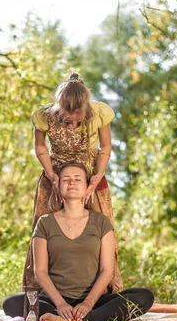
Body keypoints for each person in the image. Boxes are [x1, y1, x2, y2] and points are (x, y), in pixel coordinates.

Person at [5, 162, 154, 321]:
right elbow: (40, 271)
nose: (72, 182)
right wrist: (61, 303)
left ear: (87, 187)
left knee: (144, 296)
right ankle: (72, 317)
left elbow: (107, 270)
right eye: (66, 179)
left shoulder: (101, 222)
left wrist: (88, 303)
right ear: (58, 186)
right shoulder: (45, 222)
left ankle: (79, 320)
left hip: (94, 302)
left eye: (78, 179)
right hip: (54, 301)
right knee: (11, 303)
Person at [23, 72, 123, 295]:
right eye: (68, 121)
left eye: (78, 120)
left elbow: (104, 147)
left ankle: (101, 293)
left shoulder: (99, 113)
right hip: (56, 178)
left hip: (90, 177)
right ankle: (41, 294)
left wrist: (96, 176)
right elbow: (40, 147)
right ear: (59, 110)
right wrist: (51, 174)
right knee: (46, 229)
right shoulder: (44, 116)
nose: (73, 125)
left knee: (100, 228)